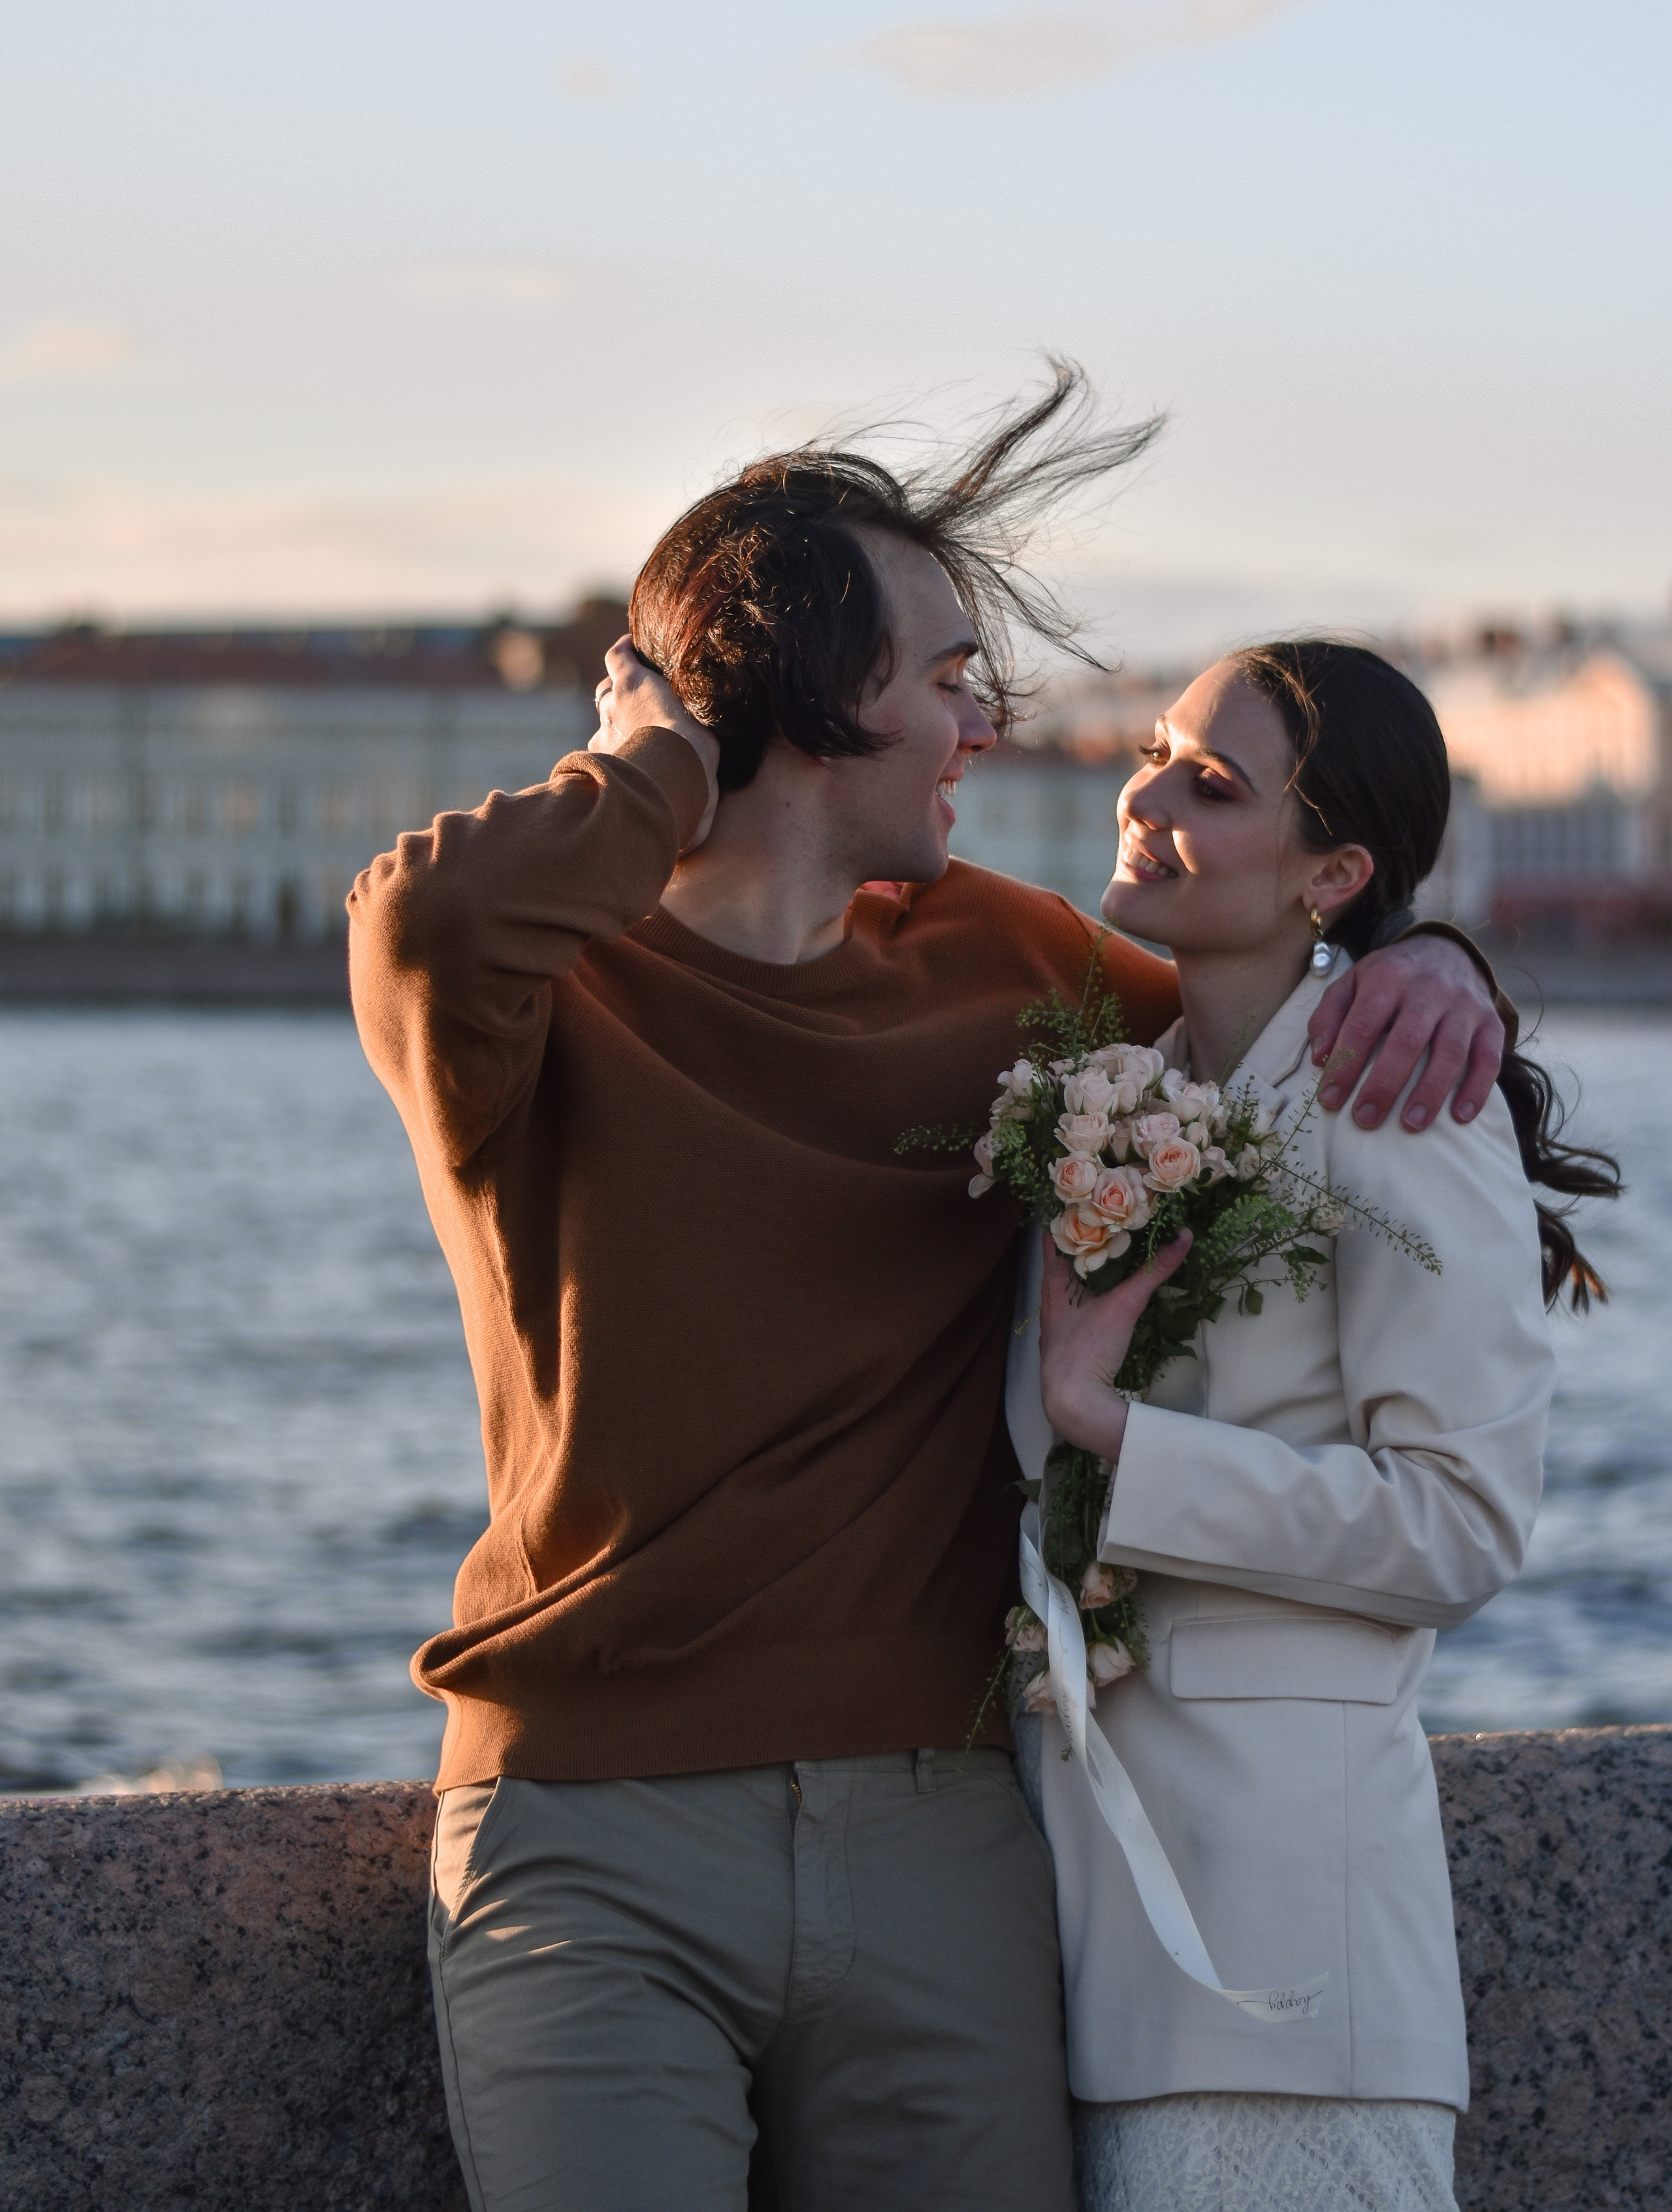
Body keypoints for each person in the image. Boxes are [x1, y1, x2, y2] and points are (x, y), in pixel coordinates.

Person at [347, 371, 1508, 2212]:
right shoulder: (533, 995)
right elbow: (420, 917)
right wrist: (660, 756)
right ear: (805, 698)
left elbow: (1268, 994)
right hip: (588, 1836)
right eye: (946, 672)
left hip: (944, 1831)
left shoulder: (1008, 965)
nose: (986, 717)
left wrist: (1429, 953)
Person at [1010, 639, 1621, 2212]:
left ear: (1331, 871)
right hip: (1089, 1947)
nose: (1143, 793)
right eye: (1154, 750)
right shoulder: (1114, 1092)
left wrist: (1116, 1438)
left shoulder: (1397, 1099)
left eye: (1211, 786)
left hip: (1286, 1960)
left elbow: (1458, 1522)